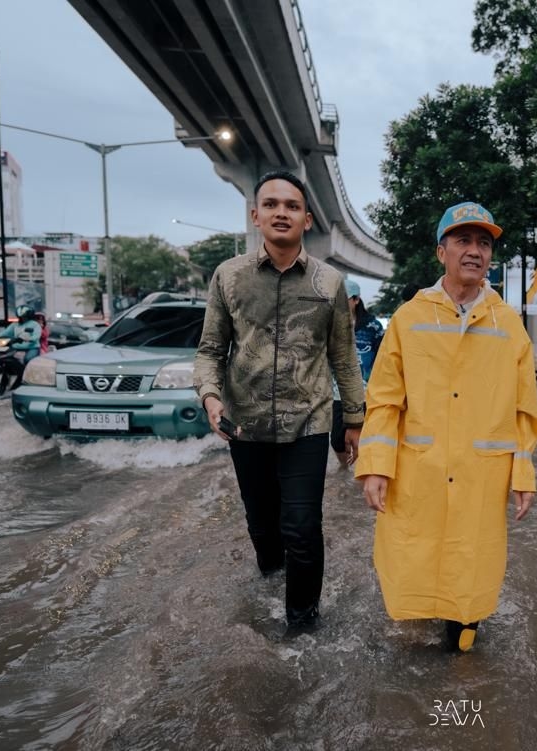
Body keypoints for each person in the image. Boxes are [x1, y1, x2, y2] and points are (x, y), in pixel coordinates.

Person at [356, 201, 537, 652]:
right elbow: (384, 400)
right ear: (442, 252)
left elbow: (524, 410)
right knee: (414, 561)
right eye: (463, 240)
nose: (475, 251)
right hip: (419, 470)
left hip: (481, 473)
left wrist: (522, 473)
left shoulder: (508, 325)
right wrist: (376, 465)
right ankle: (422, 649)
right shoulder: (409, 319)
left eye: (484, 243)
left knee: (471, 563)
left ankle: (461, 661)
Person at [193, 170, 364, 634]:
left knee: (302, 526)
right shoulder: (229, 276)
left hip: (307, 422)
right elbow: (210, 350)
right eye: (271, 204)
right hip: (244, 424)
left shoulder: (330, 282)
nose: (281, 212)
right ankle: (271, 583)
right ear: (256, 216)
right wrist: (210, 397)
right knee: (263, 527)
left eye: (292, 206)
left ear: (307, 219)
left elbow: (344, 357)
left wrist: (354, 419)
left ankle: (302, 625)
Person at [331, 279, 385, 466]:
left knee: (366, 436)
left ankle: (362, 472)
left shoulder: (373, 327)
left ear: (356, 300)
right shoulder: (331, 324)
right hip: (338, 392)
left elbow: (383, 357)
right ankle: (344, 470)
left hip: (367, 391)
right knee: (337, 440)